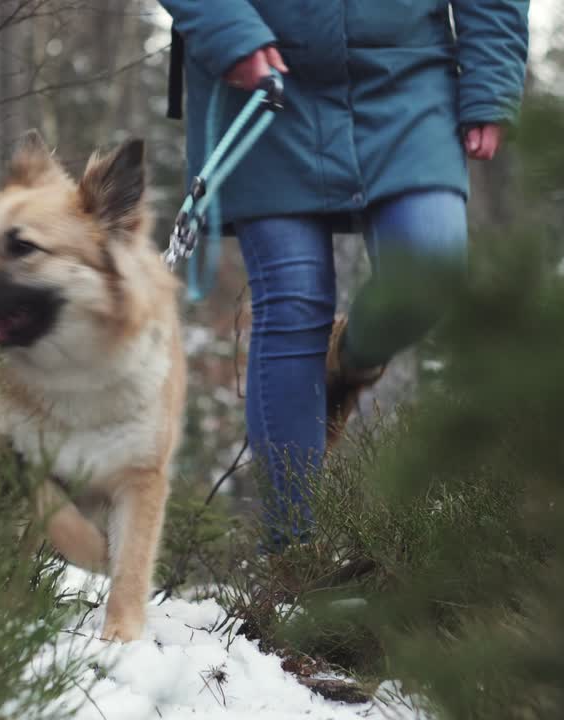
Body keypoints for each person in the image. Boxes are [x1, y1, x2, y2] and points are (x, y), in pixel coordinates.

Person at [158, 0, 530, 551]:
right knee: (291, 301)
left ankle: (349, 360)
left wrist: (492, 80)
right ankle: (293, 556)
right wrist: (225, 29)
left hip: (407, 75)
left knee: (429, 265)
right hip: (262, 71)